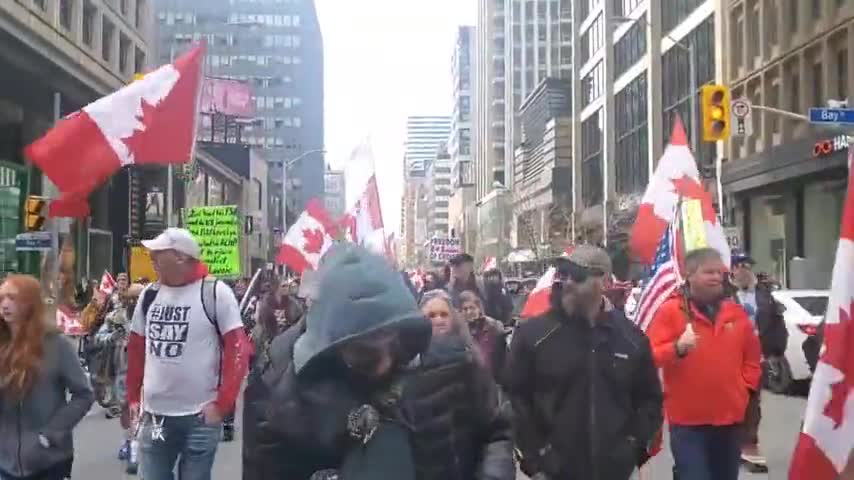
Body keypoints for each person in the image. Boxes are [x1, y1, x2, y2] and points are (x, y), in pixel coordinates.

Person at [242, 244, 515, 480]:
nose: (384, 362)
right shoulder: (280, 390)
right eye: (365, 355)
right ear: (332, 347)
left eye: (393, 345)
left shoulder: (453, 363)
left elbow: (497, 430)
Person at [505, 245, 663, 480]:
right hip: (554, 472)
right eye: (564, 273)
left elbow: (649, 400)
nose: (568, 282)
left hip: (613, 471)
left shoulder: (630, 338)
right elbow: (514, 399)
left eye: (578, 276)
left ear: (606, 283)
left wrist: (632, 447)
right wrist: (535, 458)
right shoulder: (532, 335)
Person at [126, 228, 251, 480]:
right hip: (155, 416)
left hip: (199, 419)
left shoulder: (216, 293)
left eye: (158, 253)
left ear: (180, 257)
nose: (151, 258)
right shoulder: (149, 295)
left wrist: (222, 405)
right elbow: (137, 349)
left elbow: (238, 350)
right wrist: (132, 398)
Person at [646, 248, 762, 480]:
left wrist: (745, 388)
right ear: (689, 275)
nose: (717, 277)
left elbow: (752, 358)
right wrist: (677, 348)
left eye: (719, 272)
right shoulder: (671, 312)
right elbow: (649, 357)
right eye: (709, 272)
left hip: (730, 421)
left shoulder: (735, 313)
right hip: (689, 425)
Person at [0, 274, 94, 480]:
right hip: (6, 463)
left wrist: (52, 432)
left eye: (13, 298)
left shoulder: (55, 344)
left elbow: (84, 395)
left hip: (49, 460)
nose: (5, 304)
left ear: (30, 303)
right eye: (2, 298)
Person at [730, 252, 782, 473]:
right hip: (727, 361)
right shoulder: (722, 295)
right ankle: (732, 448)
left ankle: (750, 452)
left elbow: (778, 325)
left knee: (752, 409)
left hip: (755, 362)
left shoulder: (765, 296)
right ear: (731, 270)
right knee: (732, 407)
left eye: (747, 266)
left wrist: (775, 352)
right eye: (739, 266)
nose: (743, 270)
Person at [95, 283, 143, 473]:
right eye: (131, 298)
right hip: (123, 369)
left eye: (138, 297)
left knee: (141, 410)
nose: (135, 302)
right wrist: (114, 336)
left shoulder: (153, 314)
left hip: (148, 371)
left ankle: (137, 445)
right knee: (125, 409)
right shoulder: (116, 317)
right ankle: (127, 439)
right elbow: (99, 337)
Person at [457, 290, 507, 383]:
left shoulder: (494, 327)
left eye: (472, 308)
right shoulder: (458, 332)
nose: (469, 312)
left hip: (493, 380)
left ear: (479, 308)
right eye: (465, 309)